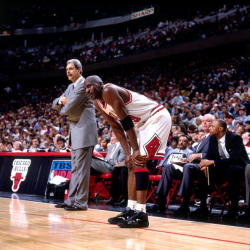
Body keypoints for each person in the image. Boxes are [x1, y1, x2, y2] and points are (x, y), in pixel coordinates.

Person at [84, 75, 171, 228]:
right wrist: (128, 153)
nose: (87, 90)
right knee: (131, 164)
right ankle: (130, 210)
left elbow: (126, 122)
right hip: (142, 124)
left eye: (90, 86)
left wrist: (136, 149)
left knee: (140, 159)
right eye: (85, 88)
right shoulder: (97, 102)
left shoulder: (108, 90)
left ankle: (142, 214)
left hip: (156, 117)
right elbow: (116, 127)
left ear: (100, 84)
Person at [52, 59, 97, 211]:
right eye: (66, 69)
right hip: (76, 132)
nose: (68, 71)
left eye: (71, 68)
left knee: (82, 169)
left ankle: (81, 202)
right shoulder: (71, 87)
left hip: (84, 132)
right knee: (75, 169)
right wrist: (61, 101)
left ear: (79, 70)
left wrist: (63, 104)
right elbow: (55, 103)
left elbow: (68, 109)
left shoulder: (84, 85)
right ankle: (71, 200)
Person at [199, 119, 249, 220]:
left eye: (212, 126)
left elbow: (235, 159)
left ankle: (233, 209)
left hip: (239, 167)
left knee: (232, 170)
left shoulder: (235, 138)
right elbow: (209, 155)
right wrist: (205, 164)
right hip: (222, 167)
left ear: (220, 129)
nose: (210, 127)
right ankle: (203, 206)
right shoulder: (212, 138)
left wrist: (213, 162)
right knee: (203, 171)